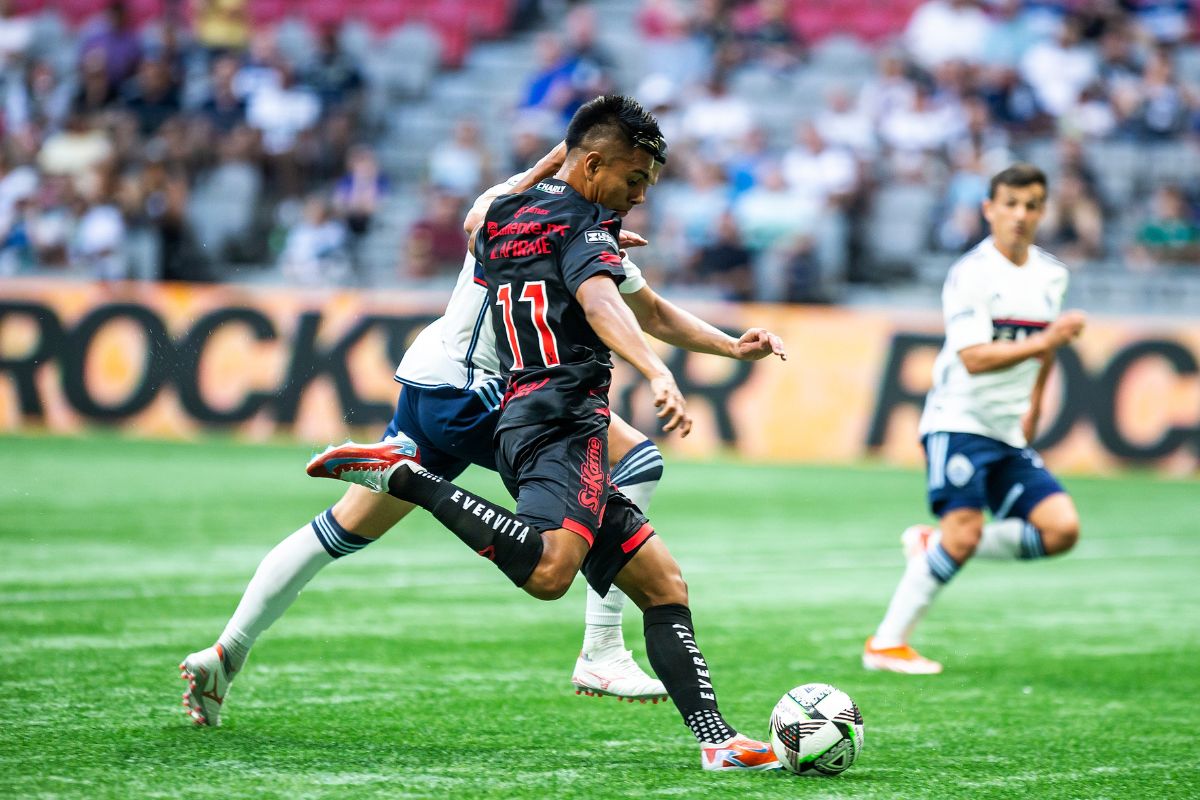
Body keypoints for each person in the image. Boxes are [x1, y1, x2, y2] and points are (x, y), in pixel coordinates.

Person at [180, 126, 785, 747]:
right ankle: (602, 649)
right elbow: (614, 307)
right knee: (634, 465)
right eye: (633, 181)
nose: (638, 197)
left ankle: (226, 651)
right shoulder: (575, 227)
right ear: (592, 164)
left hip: (428, 377)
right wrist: (658, 370)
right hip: (482, 389)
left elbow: (645, 306)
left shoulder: (506, 205)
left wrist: (728, 345)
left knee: (339, 530)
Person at [862, 164, 1086, 675]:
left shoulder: (1052, 275)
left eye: (1031, 205)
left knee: (1061, 529)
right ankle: (886, 644)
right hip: (959, 421)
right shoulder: (972, 274)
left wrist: (1034, 404)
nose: (1020, 215)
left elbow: (1043, 353)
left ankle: (933, 545)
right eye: (1010, 204)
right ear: (989, 208)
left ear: (1043, 211)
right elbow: (974, 357)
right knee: (962, 532)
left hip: (1007, 429)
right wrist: (1048, 341)